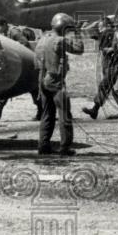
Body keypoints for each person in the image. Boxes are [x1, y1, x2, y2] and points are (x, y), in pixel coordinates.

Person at [35, 12, 84, 156]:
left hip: (42, 79)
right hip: (55, 80)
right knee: (64, 114)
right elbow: (79, 49)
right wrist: (77, 32)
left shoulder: (42, 39)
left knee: (46, 114)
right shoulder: (60, 40)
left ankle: (43, 146)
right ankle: (65, 147)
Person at [0, 16, 40, 121]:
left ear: (5, 25)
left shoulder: (14, 32)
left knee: (34, 90)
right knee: (9, 85)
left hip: (28, 63)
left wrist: (11, 48)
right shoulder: (3, 33)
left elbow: (24, 42)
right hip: (18, 64)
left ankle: (42, 111)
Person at [82, 15, 118, 119]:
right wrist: (98, 23)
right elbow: (87, 31)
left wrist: (95, 24)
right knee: (109, 88)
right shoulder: (106, 33)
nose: (98, 28)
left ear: (106, 25)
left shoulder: (110, 33)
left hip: (113, 64)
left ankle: (95, 109)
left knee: (105, 86)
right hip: (108, 64)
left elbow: (87, 31)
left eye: (100, 26)